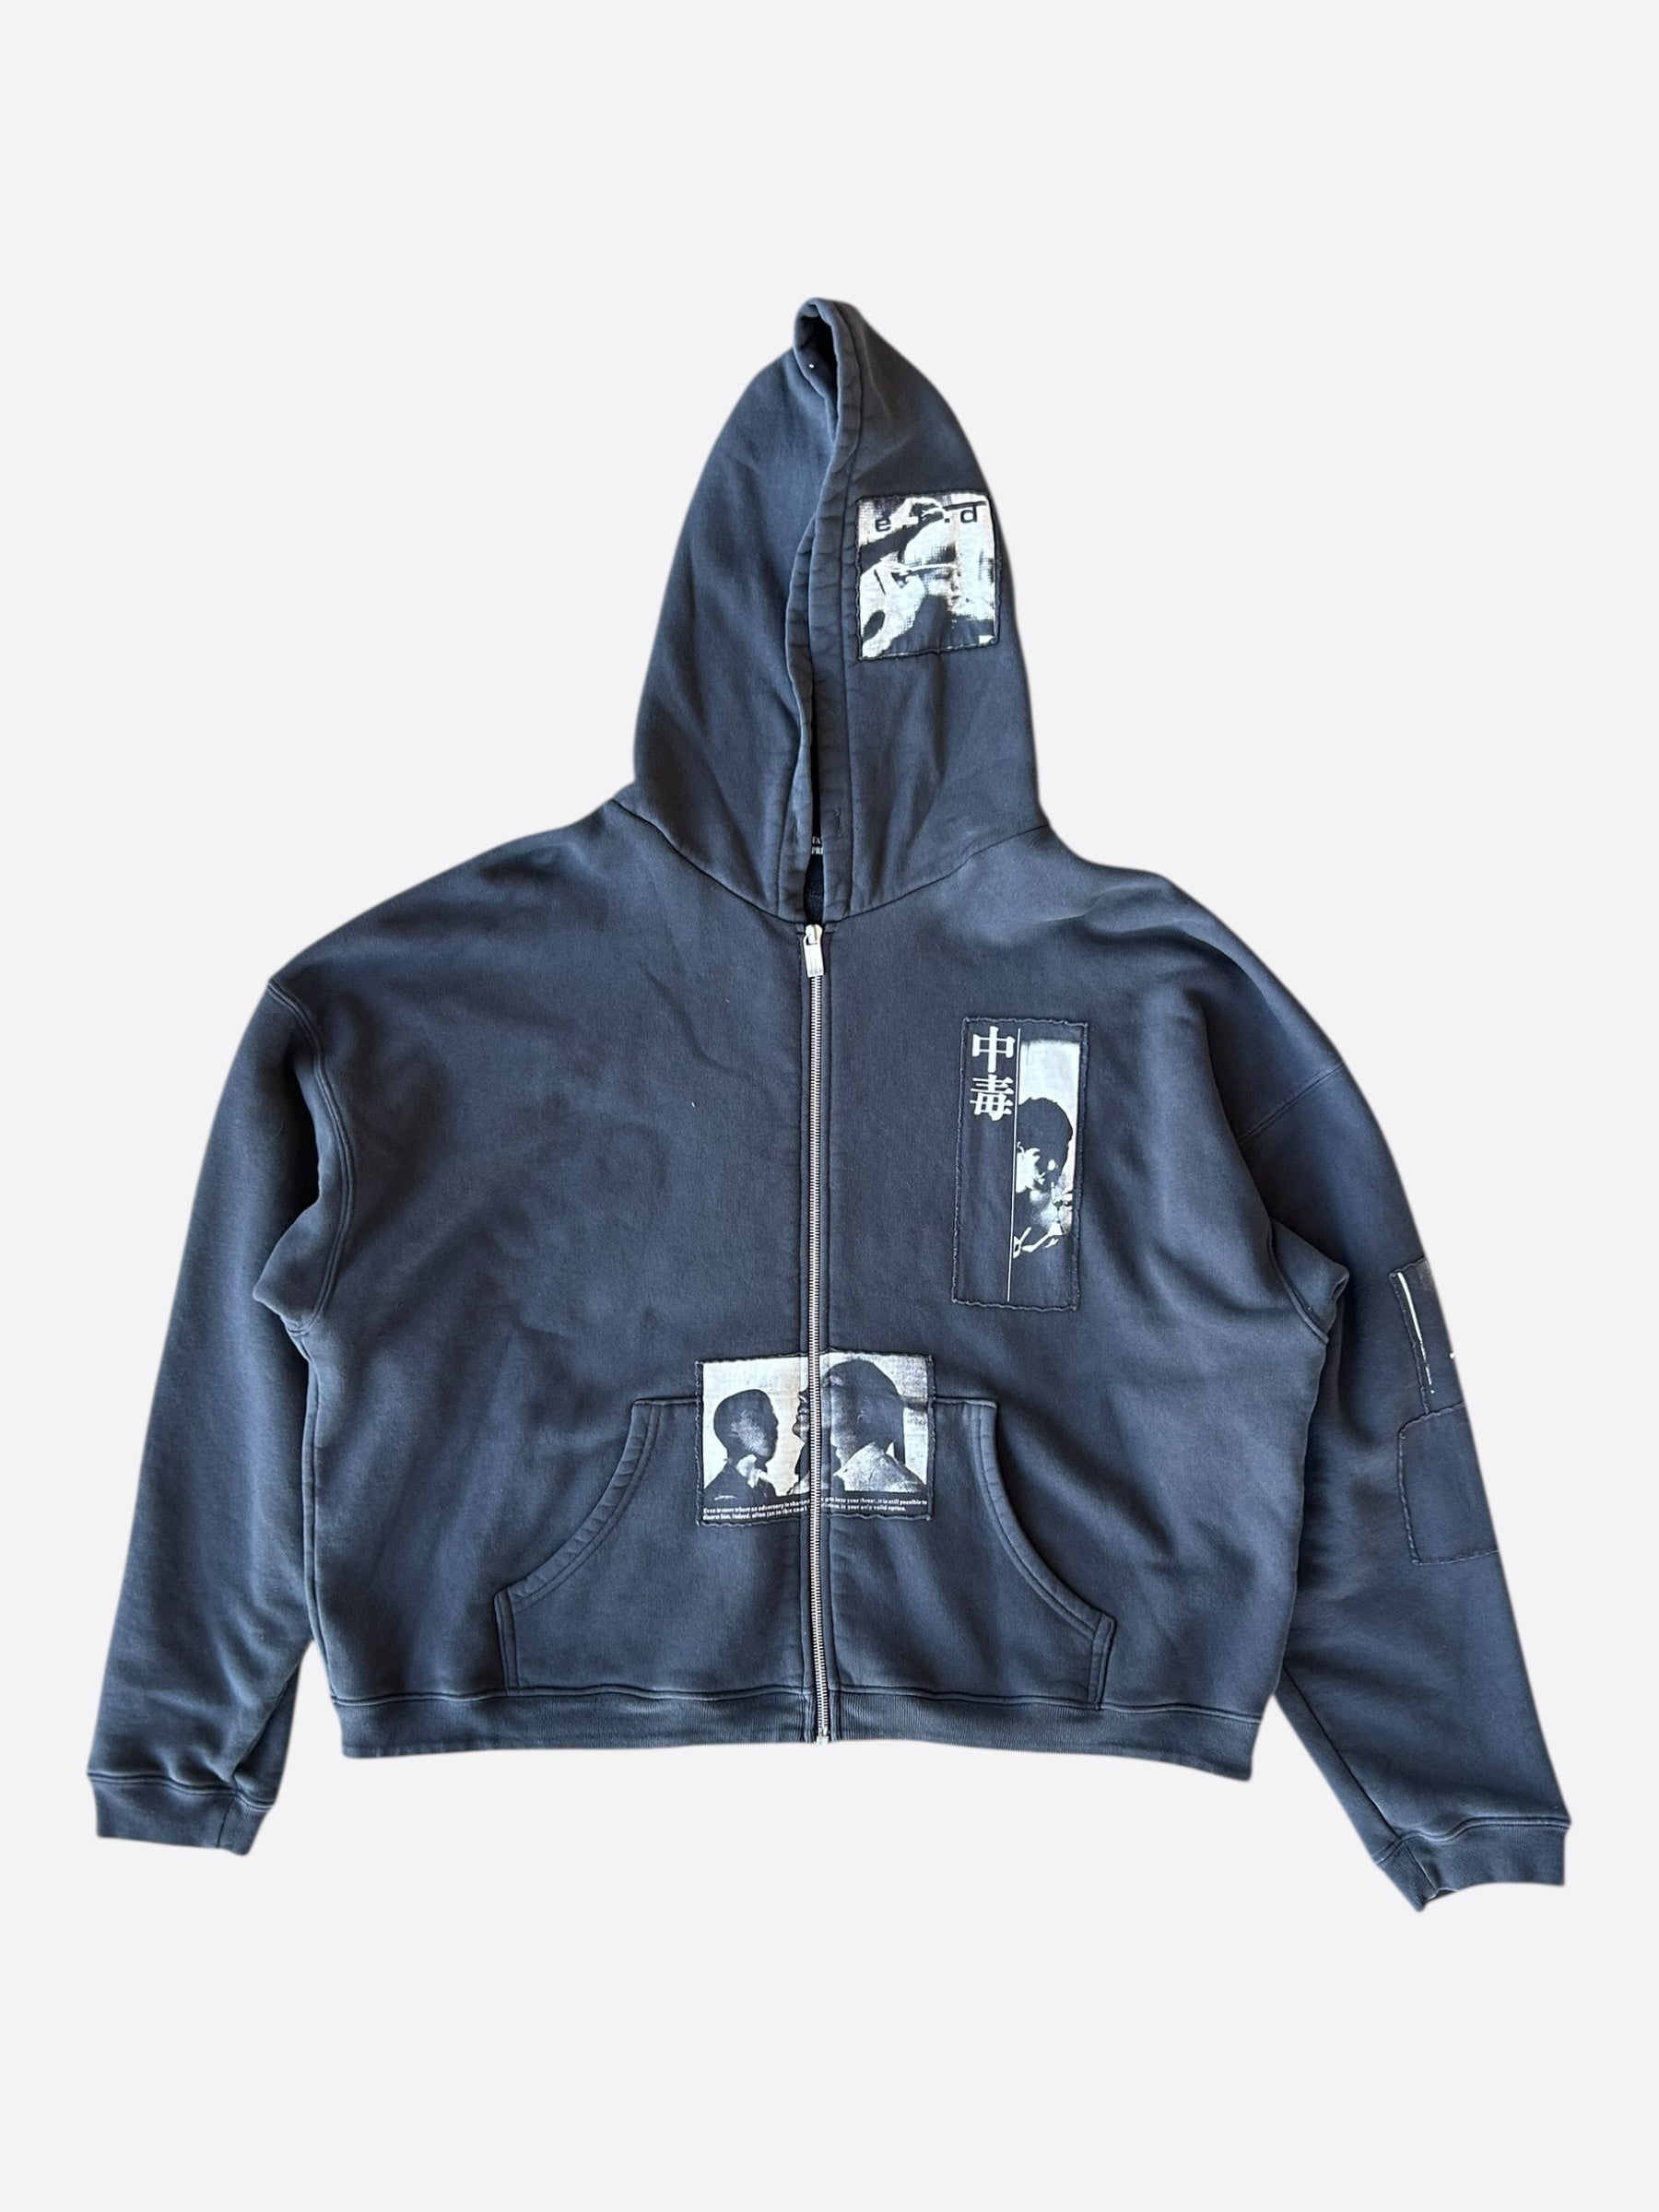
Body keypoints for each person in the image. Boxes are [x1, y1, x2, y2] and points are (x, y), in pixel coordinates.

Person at [825, 1359, 924, 1496]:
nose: (802, 1394)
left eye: (830, 1385)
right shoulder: (830, 1474)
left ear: (864, 1409)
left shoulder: (900, 1488)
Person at [1010, 1096, 1074, 1299]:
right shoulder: (992, 1202)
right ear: (1020, 1148)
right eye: (1043, 1154)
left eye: (1060, 1153)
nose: (1054, 1166)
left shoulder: (1068, 1206)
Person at [703, 1388, 781, 1509]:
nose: (774, 1422)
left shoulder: (765, 1488)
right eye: (756, 1417)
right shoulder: (720, 1497)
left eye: (770, 1414)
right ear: (732, 1429)